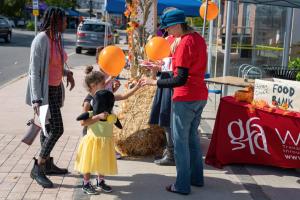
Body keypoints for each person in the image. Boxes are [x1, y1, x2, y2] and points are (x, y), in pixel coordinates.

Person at [141, 9, 208, 195]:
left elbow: (180, 79)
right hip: (200, 95)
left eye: (168, 28)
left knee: (180, 143)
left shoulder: (184, 43)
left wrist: (154, 81)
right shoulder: (198, 39)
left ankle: (182, 185)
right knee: (193, 139)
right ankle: (196, 178)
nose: (167, 33)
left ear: (178, 24)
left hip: (185, 97)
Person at [25, 7, 75, 188]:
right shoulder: (41, 40)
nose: (66, 23)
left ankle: (47, 164)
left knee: (47, 130)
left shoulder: (57, 39)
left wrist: (67, 72)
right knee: (57, 129)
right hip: (43, 92)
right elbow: (35, 72)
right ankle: (38, 166)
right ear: (55, 21)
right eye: (63, 20)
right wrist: (36, 99)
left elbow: (55, 65)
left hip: (54, 90)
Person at [75, 67, 141, 195]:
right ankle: (86, 183)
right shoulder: (88, 102)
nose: (106, 85)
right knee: (88, 161)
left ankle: (100, 181)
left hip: (105, 136)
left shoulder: (106, 96)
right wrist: (98, 117)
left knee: (102, 159)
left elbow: (123, 95)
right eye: (103, 83)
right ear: (93, 85)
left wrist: (137, 87)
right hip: (93, 137)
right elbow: (83, 122)